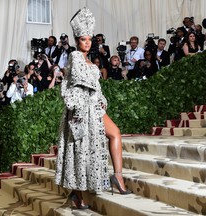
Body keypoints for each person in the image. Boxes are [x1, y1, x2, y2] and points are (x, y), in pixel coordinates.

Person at [55, 7, 131, 210]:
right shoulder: (74, 57)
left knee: (115, 133)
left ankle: (118, 177)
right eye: (83, 39)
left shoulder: (91, 62)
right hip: (80, 109)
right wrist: (94, 75)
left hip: (94, 108)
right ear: (77, 40)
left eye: (89, 40)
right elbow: (80, 80)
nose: (87, 43)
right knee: (80, 149)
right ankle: (77, 195)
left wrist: (102, 98)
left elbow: (96, 87)